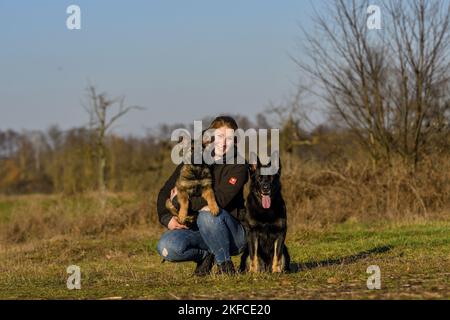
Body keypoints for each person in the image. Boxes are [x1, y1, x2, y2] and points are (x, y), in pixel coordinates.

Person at [156, 116, 248, 276]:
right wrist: (166, 218)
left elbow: (221, 200)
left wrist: (179, 201)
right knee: (167, 246)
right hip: (200, 229)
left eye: (229, 138)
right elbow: (165, 191)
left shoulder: (239, 165)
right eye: (220, 136)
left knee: (208, 212)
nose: (223, 143)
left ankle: (225, 265)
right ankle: (206, 255)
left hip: (233, 234)